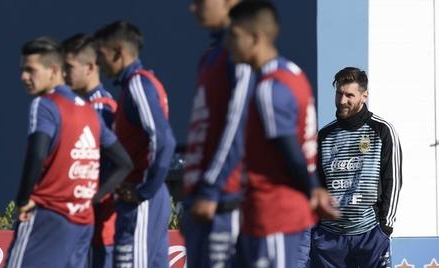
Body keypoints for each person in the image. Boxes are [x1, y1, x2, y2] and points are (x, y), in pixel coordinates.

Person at [225, 1, 339, 267]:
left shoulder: (270, 86)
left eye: (234, 36)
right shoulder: (294, 74)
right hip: (276, 214)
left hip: (273, 214)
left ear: (255, 38)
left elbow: (289, 149)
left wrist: (313, 190)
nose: (228, 44)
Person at [5, 36, 132, 268]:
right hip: (83, 222)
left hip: (49, 216)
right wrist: (90, 199)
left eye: (30, 70)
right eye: (22, 70)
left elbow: (37, 154)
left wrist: (23, 200)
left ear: (54, 70)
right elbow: (124, 162)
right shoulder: (89, 111)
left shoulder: (45, 104)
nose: (24, 77)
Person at [94, 21, 176, 268]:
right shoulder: (135, 85)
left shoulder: (139, 84)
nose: (98, 62)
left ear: (118, 52)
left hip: (141, 199)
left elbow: (164, 140)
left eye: (101, 54)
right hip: (146, 197)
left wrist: (144, 191)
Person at [181, 0, 255, 267]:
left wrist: (211, 189)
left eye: (200, 2)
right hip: (200, 200)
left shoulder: (240, 52)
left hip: (225, 201)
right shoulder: (210, 57)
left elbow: (238, 124)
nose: (193, 8)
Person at [310, 67, 402, 268]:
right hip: (329, 238)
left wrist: (385, 227)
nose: (342, 100)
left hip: (369, 235)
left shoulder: (382, 130)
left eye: (349, 95)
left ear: (364, 96)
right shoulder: (324, 135)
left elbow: (392, 180)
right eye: (339, 94)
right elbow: (316, 184)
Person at [62, 33, 118, 268]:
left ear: (91, 67)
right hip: (81, 225)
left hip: (100, 226)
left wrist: (93, 199)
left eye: (69, 67)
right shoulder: (80, 107)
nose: (64, 74)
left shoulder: (103, 108)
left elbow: (119, 163)